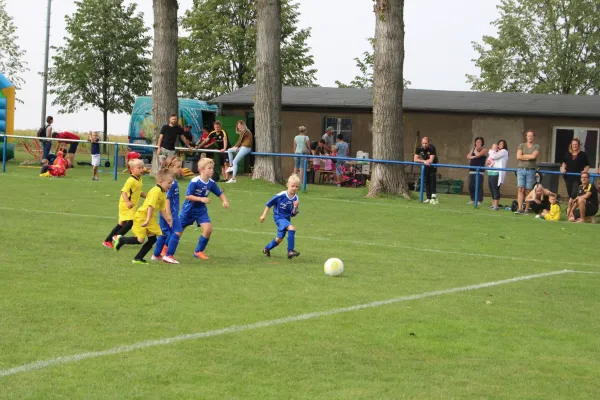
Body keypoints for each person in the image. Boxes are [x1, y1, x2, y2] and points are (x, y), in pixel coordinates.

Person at [114, 170, 174, 264]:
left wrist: (169, 220)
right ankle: (122, 240)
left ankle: (138, 258)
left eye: (172, 183)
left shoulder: (163, 193)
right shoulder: (155, 191)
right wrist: (147, 220)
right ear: (160, 181)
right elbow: (150, 206)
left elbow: (162, 209)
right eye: (169, 183)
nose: (170, 185)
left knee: (153, 239)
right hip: (142, 217)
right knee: (140, 240)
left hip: (149, 219)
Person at [179, 158, 230, 260]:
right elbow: (188, 196)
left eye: (212, 168)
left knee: (208, 229)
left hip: (201, 210)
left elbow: (219, 193)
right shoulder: (195, 181)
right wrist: (201, 199)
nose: (212, 170)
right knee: (178, 231)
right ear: (202, 170)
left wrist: (225, 201)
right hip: (189, 209)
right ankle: (165, 247)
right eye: (209, 168)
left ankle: (198, 251)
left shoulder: (211, 182)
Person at [101, 159, 147, 249]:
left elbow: (137, 191)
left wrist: (147, 196)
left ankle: (107, 241)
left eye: (142, 167)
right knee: (132, 222)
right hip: (126, 205)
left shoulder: (139, 179)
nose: (142, 169)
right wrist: (127, 202)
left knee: (122, 223)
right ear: (132, 170)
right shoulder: (131, 180)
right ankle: (117, 236)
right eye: (139, 168)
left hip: (131, 205)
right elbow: (123, 192)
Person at [260, 174, 301, 259]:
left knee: (279, 239)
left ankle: (266, 248)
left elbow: (293, 214)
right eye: (292, 186)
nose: (294, 188)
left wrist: (296, 207)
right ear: (287, 185)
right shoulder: (281, 195)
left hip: (286, 219)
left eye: (296, 186)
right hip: (278, 217)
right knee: (292, 228)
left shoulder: (296, 198)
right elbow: (269, 204)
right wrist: (263, 215)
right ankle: (290, 251)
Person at [152, 156, 183, 264]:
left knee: (164, 233)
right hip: (171, 212)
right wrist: (169, 216)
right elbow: (167, 200)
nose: (180, 169)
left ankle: (156, 254)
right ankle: (169, 255)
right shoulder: (172, 183)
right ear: (170, 167)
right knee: (178, 231)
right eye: (178, 167)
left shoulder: (171, 182)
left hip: (163, 212)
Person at [515, 130, 540, 214]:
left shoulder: (536, 146)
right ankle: (520, 208)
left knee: (528, 190)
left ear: (534, 137)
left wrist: (524, 155)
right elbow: (518, 156)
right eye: (528, 136)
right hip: (521, 169)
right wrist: (528, 157)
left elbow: (534, 156)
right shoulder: (521, 145)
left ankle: (527, 208)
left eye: (531, 136)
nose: (530, 137)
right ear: (526, 137)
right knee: (520, 189)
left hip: (531, 171)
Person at [560, 138, 590, 206]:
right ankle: (574, 206)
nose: (574, 146)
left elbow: (587, 165)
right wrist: (563, 168)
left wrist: (584, 171)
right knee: (570, 193)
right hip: (567, 177)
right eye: (573, 144)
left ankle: (569, 207)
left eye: (576, 144)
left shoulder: (583, 154)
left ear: (579, 145)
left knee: (574, 193)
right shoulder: (567, 154)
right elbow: (564, 163)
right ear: (571, 145)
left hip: (577, 177)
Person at [414, 136, 439, 204]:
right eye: (423, 143)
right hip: (425, 163)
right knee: (427, 179)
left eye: (426, 143)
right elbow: (415, 159)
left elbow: (431, 160)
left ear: (428, 143)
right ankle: (428, 197)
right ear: (421, 143)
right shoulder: (419, 148)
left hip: (433, 164)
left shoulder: (432, 148)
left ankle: (434, 197)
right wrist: (423, 161)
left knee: (432, 178)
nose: (424, 145)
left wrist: (425, 161)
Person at [486, 139, 509, 210]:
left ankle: (496, 205)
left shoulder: (504, 151)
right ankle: (493, 204)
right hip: (491, 172)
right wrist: (488, 162)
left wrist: (492, 152)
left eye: (502, 144)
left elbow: (494, 157)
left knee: (495, 188)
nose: (500, 145)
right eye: (499, 144)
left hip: (497, 172)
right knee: (491, 188)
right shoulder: (495, 151)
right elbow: (488, 161)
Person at [466, 137, 488, 204]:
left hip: (479, 171)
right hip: (472, 170)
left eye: (479, 142)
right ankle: (473, 200)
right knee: (470, 186)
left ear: (482, 143)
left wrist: (475, 152)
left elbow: (478, 155)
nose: (478, 143)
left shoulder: (484, 149)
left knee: (478, 186)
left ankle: (479, 200)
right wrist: (474, 156)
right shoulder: (472, 149)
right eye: (477, 142)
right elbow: (468, 156)